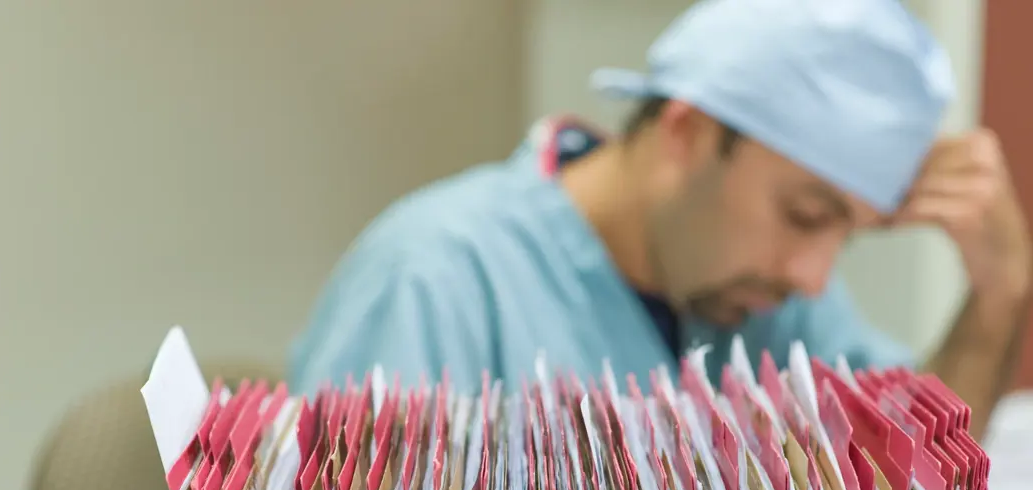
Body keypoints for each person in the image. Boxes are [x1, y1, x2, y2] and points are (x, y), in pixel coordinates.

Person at [288, 0, 1031, 441]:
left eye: (849, 236)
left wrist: (1000, 296)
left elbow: (910, 488)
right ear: (686, 132)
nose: (814, 274)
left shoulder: (763, 296)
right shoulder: (438, 278)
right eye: (806, 214)